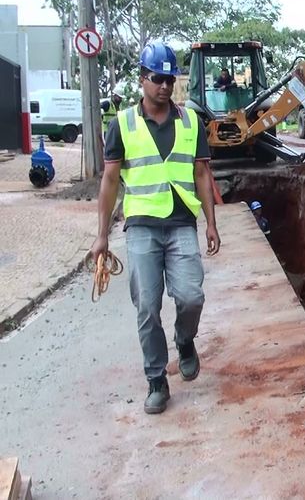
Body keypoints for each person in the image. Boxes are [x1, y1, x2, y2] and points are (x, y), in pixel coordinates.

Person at [88, 41, 220, 415]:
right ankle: (157, 380)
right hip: (143, 227)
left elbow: (200, 173)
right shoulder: (123, 124)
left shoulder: (191, 122)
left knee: (191, 296)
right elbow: (110, 180)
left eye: (169, 79)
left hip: (181, 224)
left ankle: (184, 340)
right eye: (157, 78)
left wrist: (211, 222)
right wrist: (101, 235)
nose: (164, 86)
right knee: (147, 306)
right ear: (142, 79)